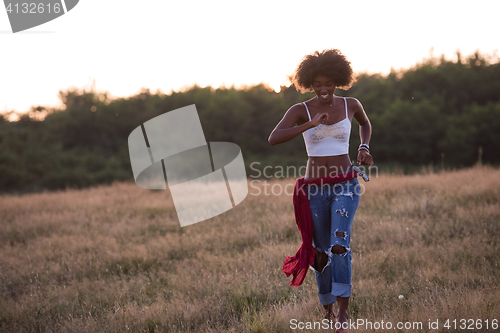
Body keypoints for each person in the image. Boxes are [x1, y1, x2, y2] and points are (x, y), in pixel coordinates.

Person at [268, 49, 373, 332]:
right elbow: (274, 138)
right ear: (309, 84)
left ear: (338, 80)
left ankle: (343, 313)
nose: (324, 90)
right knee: (320, 253)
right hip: (313, 189)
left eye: (329, 84)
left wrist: (364, 146)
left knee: (339, 245)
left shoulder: (351, 104)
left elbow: (365, 124)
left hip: (345, 184)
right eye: (318, 84)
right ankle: (326, 309)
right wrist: (310, 124)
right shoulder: (300, 110)